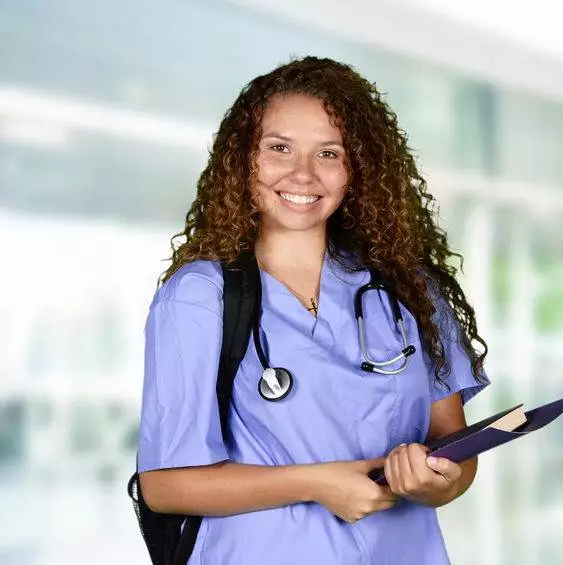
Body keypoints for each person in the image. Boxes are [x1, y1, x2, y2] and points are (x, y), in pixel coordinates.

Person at [135, 56, 490, 565]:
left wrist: (437, 485)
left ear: (357, 169)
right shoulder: (199, 297)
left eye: (329, 152)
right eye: (279, 148)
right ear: (244, 160)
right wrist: (316, 484)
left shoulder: (410, 289)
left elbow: (455, 445)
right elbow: (165, 487)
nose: (303, 173)